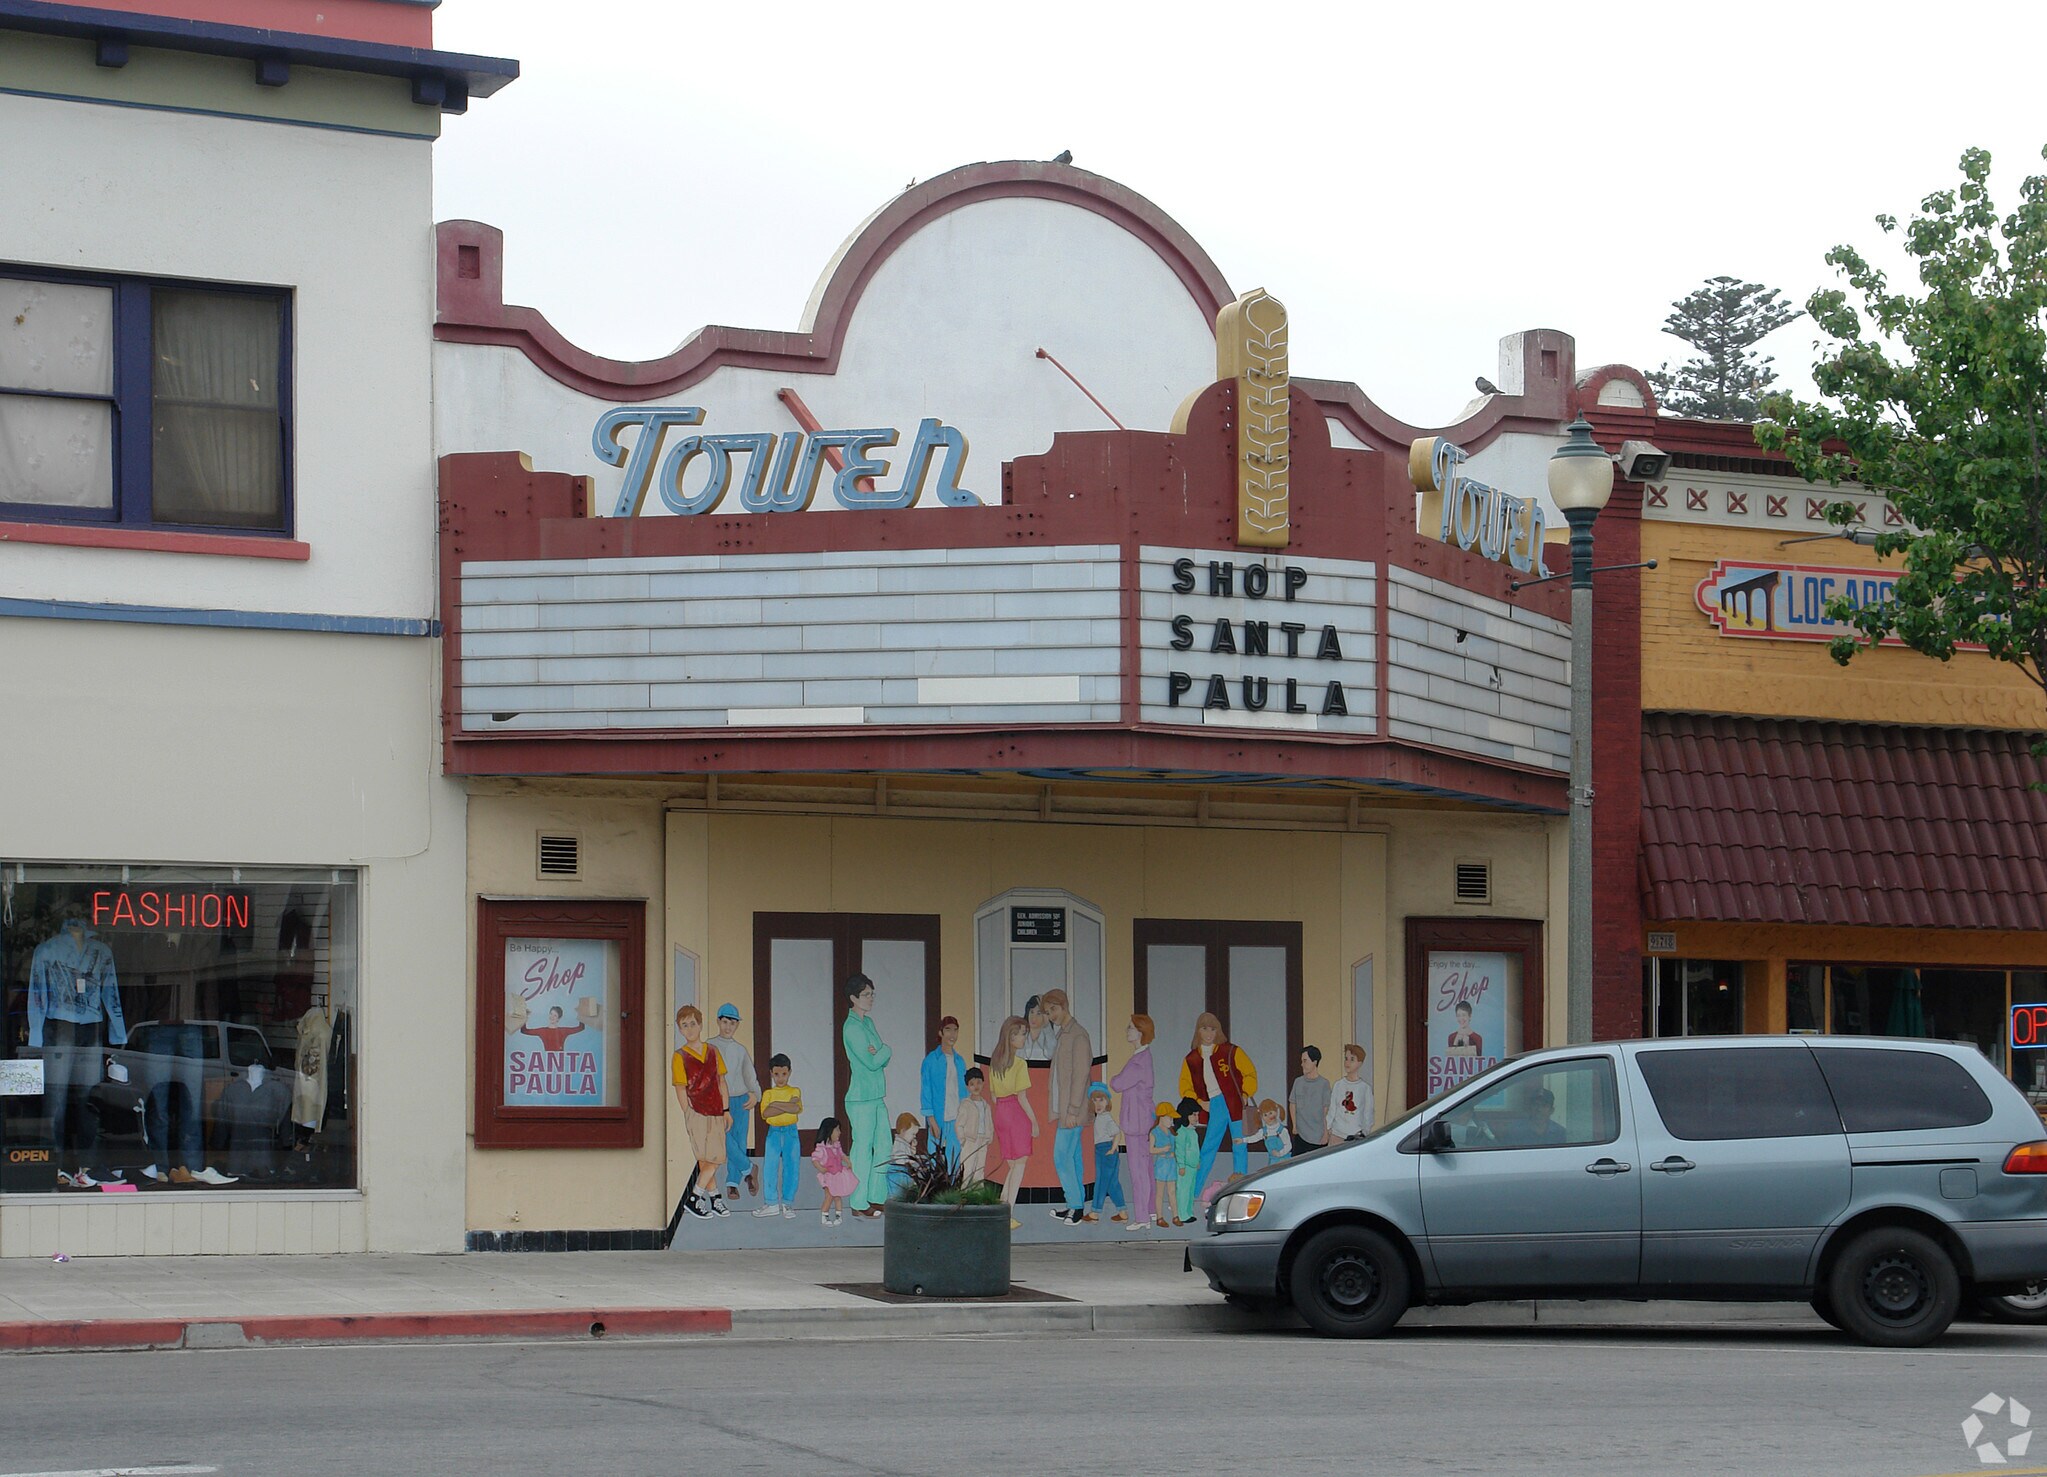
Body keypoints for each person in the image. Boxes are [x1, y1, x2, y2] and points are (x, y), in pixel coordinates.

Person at [1177, 1012, 1257, 1205]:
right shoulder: (1191, 1059)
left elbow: (1250, 1073)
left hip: (1235, 1102)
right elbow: (1185, 1087)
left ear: (1218, 1031)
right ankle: (1193, 1192)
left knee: (1239, 1145)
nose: (1208, 1033)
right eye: (1204, 1029)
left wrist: (1245, 1094)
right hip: (1214, 1104)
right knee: (1208, 1148)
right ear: (1198, 1031)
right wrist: (1199, 1101)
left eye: (1212, 1029)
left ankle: (1241, 1190)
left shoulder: (1231, 1051)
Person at [670, 1006, 730, 1219]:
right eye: (684, 1025)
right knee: (705, 1158)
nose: (689, 1029)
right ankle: (714, 1198)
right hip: (696, 1112)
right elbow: (680, 1087)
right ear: (680, 1030)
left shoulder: (713, 1051)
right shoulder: (680, 1056)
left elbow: (721, 1081)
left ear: (701, 1025)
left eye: (692, 1024)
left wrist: (726, 1109)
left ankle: (696, 1197)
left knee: (715, 1157)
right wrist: (688, 1112)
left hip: (716, 1110)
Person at [840, 973, 891, 1218]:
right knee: (862, 1150)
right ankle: (858, 1202)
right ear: (853, 998)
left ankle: (876, 1197)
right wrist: (885, 1050)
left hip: (877, 1095)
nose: (870, 998)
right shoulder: (851, 1027)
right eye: (866, 994)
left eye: (872, 994)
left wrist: (880, 1052)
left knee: (884, 1146)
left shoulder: (868, 1023)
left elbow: (881, 1057)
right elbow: (873, 1061)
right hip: (860, 1098)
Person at [1044, 989, 1094, 1224]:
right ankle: (1075, 1205)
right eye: (1047, 1012)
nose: (1051, 1015)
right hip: (1066, 1109)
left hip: (1072, 1110)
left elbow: (1081, 1074)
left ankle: (1075, 1207)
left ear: (1064, 1006)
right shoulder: (1063, 1035)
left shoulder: (1078, 1035)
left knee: (1061, 1157)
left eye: (1053, 1009)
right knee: (1073, 1158)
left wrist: (1073, 1109)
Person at [986, 1015, 1038, 1229]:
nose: (1024, 1038)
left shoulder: (994, 1062)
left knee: (1013, 1164)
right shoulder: (1020, 1064)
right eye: (1022, 1034)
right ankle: (1007, 1212)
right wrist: (1034, 1122)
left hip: (1001, 1113)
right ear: (1012, 1036)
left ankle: (1001, 1209)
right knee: (1020, 1165)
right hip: (1016, 1114)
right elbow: (1022, 1098)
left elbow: (994, 1096)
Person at [1109, 1014, 1158, 1227]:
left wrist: (1113, 1078)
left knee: (1138, 1171)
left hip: (1136, 1121)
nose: (1126, 1031)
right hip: (1144, 1119)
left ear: (1140, 1032)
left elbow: (1117, 1083)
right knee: (1146, 1168)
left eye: (1130, 1027)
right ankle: (1151, 1211)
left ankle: (1142, 1217)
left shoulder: (1138, 1062)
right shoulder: (1144, 1057)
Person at [714, 1003, 760, 1201]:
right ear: (718, 1021)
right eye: (725, 1022)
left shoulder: (740, 1050)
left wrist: (755, 1094)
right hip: (718, 1100)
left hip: (740, 1099)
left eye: (732, 1023)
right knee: (723, 1138)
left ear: (737, 1026)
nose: (728, 1027)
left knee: (739, 1140)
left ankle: (732, 1184)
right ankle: (749, 1168)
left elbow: (750, 1075)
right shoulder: (709, 1046)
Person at [751, 1053, 803, 1220]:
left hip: (791, 1132)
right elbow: (766, 1113)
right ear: (771, 1074)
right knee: (770, 1167)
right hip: (773, 1132)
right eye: (777, 1074)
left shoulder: (795, 1091)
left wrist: (775, 1105)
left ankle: (787, 1203)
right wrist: (785, 1106)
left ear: (790, 1072)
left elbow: (796, 1108)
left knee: (792, 1167)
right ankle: (772, 1203)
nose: (780, 1078)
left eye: (784, 1074)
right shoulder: (768, 1094)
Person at [919, 1015, 968, 1168]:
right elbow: (926, 1090)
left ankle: (952, 1183)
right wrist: (931, 1119)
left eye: (955, 1030)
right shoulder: (931, 1060)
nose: (952, 1034)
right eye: (948, 1030)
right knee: (934, 1156)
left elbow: (964, 1091)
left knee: (954, 1156)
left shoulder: (960, 1061)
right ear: (941, 1032)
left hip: (956, 1117)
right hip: (938, 1116)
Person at [1084, 1084, 1126, 1223]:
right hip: (1105, 1151)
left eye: (1101, 1100)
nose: (1098, 1104)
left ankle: (1095, 1212)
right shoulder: (1100, 1117)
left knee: (1101, 1182)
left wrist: (1112, 1149)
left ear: (1108, 1101)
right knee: (1112, 1183)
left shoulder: (1105, 1118)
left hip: (1105, 1151)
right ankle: (1122, 1211)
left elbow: (1117, 1133)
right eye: (1094, 1100)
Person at [811, 1116, 858, 1226]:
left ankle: (838, 1216)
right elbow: (815, 1159)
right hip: (829, 1176)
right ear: (829, 1131)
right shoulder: (822, 1148)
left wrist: (848, 1162)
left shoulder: (836, 1145)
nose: (839, 1132)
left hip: (838, 1175)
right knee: (829, 1196)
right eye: (837, 1130)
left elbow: (841, 1155)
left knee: (837, 1196)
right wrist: (821, 1168)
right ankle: (825, 1216)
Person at [1325, 1044, 1374, 1141]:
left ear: (1360, 1063)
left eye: (1352, 1059)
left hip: (1355, 1137)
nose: (1347, 1062)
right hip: (1336, 1134)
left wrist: (1364, 1133)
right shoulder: (1338, 1085)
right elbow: (1332, 1110)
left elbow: (1368, 1114)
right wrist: (1327, 1128)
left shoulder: (1365, 1088)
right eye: (1346, 1059)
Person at [1288, 1045, 1331, 1155]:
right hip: (1300, 1136)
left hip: (1318, 1138)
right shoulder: (1298, 1082)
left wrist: (1326, 1133)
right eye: (1302, 1061)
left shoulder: (1324, 1084)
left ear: (1315, 1062)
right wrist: (1294, 1126)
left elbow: (1326, 1111)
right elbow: (1293, 1104)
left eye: (1305, 1061)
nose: (1302, 1064)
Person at [956, 1066, 994, 1185]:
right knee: (968, 1167)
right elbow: (959, 1124)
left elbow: (989, 1122)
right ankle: (965, 1190)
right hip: (970, 1140)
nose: (976, 1086)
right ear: (967, 1087)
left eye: (978, 1082)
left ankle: (978, 1191)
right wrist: (963, 1140)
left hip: (983, 1140)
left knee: (980, 1167)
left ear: (983, 1083)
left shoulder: (986, 1105)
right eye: (972, 1084)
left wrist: (989, 1136)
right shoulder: (966, 1105)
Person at [1150, 1102, 1181, 1228]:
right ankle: (1160, 1218)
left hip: (1172, 1164)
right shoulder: (1154, 1132)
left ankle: (1175, 1216)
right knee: (1160, 1193)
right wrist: (1162, 1149)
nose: (1171, 1121)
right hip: (1162, 1164)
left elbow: (1176, 1148)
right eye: (1169, 1118)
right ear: (1161, 1117)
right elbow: (1151, 1150)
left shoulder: (1171, 1132)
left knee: (1172, 1192)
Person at [1172, 1097, 1203, 1225]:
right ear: (1185, 1115)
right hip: (1185, 1167)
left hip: (1193, 1166)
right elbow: (1179, 1150)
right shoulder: (1181, 1132)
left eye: (1197, 1115)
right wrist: (1181, 1166)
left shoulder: (1192, 1132)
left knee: (1190, 1190)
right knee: (1183, 1190)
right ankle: (1182, 1214)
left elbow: (1195, 1149)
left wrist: (1198, 1160)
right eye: (1193, 1115)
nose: (1196, 1118)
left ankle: (1189, 1212)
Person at [519, 1005, 585, 1052]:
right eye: (551, 1014)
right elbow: (524, 1031)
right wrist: (524, 1016)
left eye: (555, 1015)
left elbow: (581, 1028)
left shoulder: (563, 1031)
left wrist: (582, 1013)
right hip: (548, 1060)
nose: (552, 1017)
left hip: (561, 1061)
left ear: (558, 1018)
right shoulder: (542, 1031)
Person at [1249, 1098, 1293, 1163]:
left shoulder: (1283, 1130)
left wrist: (1279, 1153)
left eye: (1271, 1113)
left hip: (1285, 1160)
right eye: (1265, 1115)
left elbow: (1289, 1146)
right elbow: (1255, 1137)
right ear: (1261, 1117)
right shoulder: (1263, 1132)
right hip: (1273, 1161)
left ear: (1276, 1111)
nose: (1269, 1117)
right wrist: (1243, 1140)